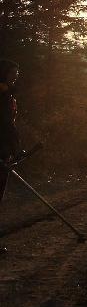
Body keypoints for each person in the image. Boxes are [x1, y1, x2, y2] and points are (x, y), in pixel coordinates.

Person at [1, 59, 23, 257]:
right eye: (12, 73)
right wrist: (16, 148)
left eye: (17, 73)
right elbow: (7, 125)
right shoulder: (4, 96)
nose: (15, 76)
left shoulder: (8, 94)